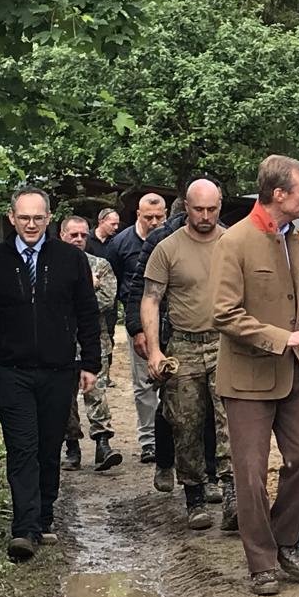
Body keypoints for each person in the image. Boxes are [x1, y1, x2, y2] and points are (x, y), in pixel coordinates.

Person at [212, 155, 299, 596]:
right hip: (248, 379)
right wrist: (283, 337)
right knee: (252, 475)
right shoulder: (235, 241)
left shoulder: (294, 238)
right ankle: (260, 562)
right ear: (279, 194)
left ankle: (283, 539)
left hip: (295, 372)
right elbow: (223, 314)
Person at [0, 187, 101, 561]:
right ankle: (24, 528)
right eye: (23, 217)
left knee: (47, 447)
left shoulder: (70, 260)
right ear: (12, 218)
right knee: (22, 448)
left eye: (37, 218)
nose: (30, 224)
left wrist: (90, 362)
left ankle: (44, 514)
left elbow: (87, 313)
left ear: (49, 219)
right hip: (12, 370)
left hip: (58, 370)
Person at [143, 180, 234, 531]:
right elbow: (151, 298)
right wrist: (154, 350)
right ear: (186, 208)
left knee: (229, 419)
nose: (206, 216)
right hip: (183, 344)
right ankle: (194, 494)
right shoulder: (167, 248)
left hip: (225, 341)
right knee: (185, 421)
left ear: (220, 205)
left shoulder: (232, 242)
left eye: (212, 209)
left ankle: (231, 492)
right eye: (199, 209)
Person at [59, 215, 123, 472]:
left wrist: (75, 300)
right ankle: (72, 447)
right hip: (61, 343)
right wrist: (87, 290)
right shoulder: (52, 266)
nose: (78, 240)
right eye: (73, 235)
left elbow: (107, 299)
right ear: (62, 235)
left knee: (96, 393)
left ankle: (103, 444)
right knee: (65, 398)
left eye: (83, 235)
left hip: (93, 342)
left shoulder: (100, 265)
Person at [107, 193, 167, 463]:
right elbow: (122, 286)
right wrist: (134, 327)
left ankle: (172, 438)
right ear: (138, 216)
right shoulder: (121, 243)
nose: (154, 222)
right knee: (144, 383)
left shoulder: (173, 238)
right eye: (148, 217)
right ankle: (149, 441)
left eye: (159, 217)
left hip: (172, 320)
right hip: (139, 322)